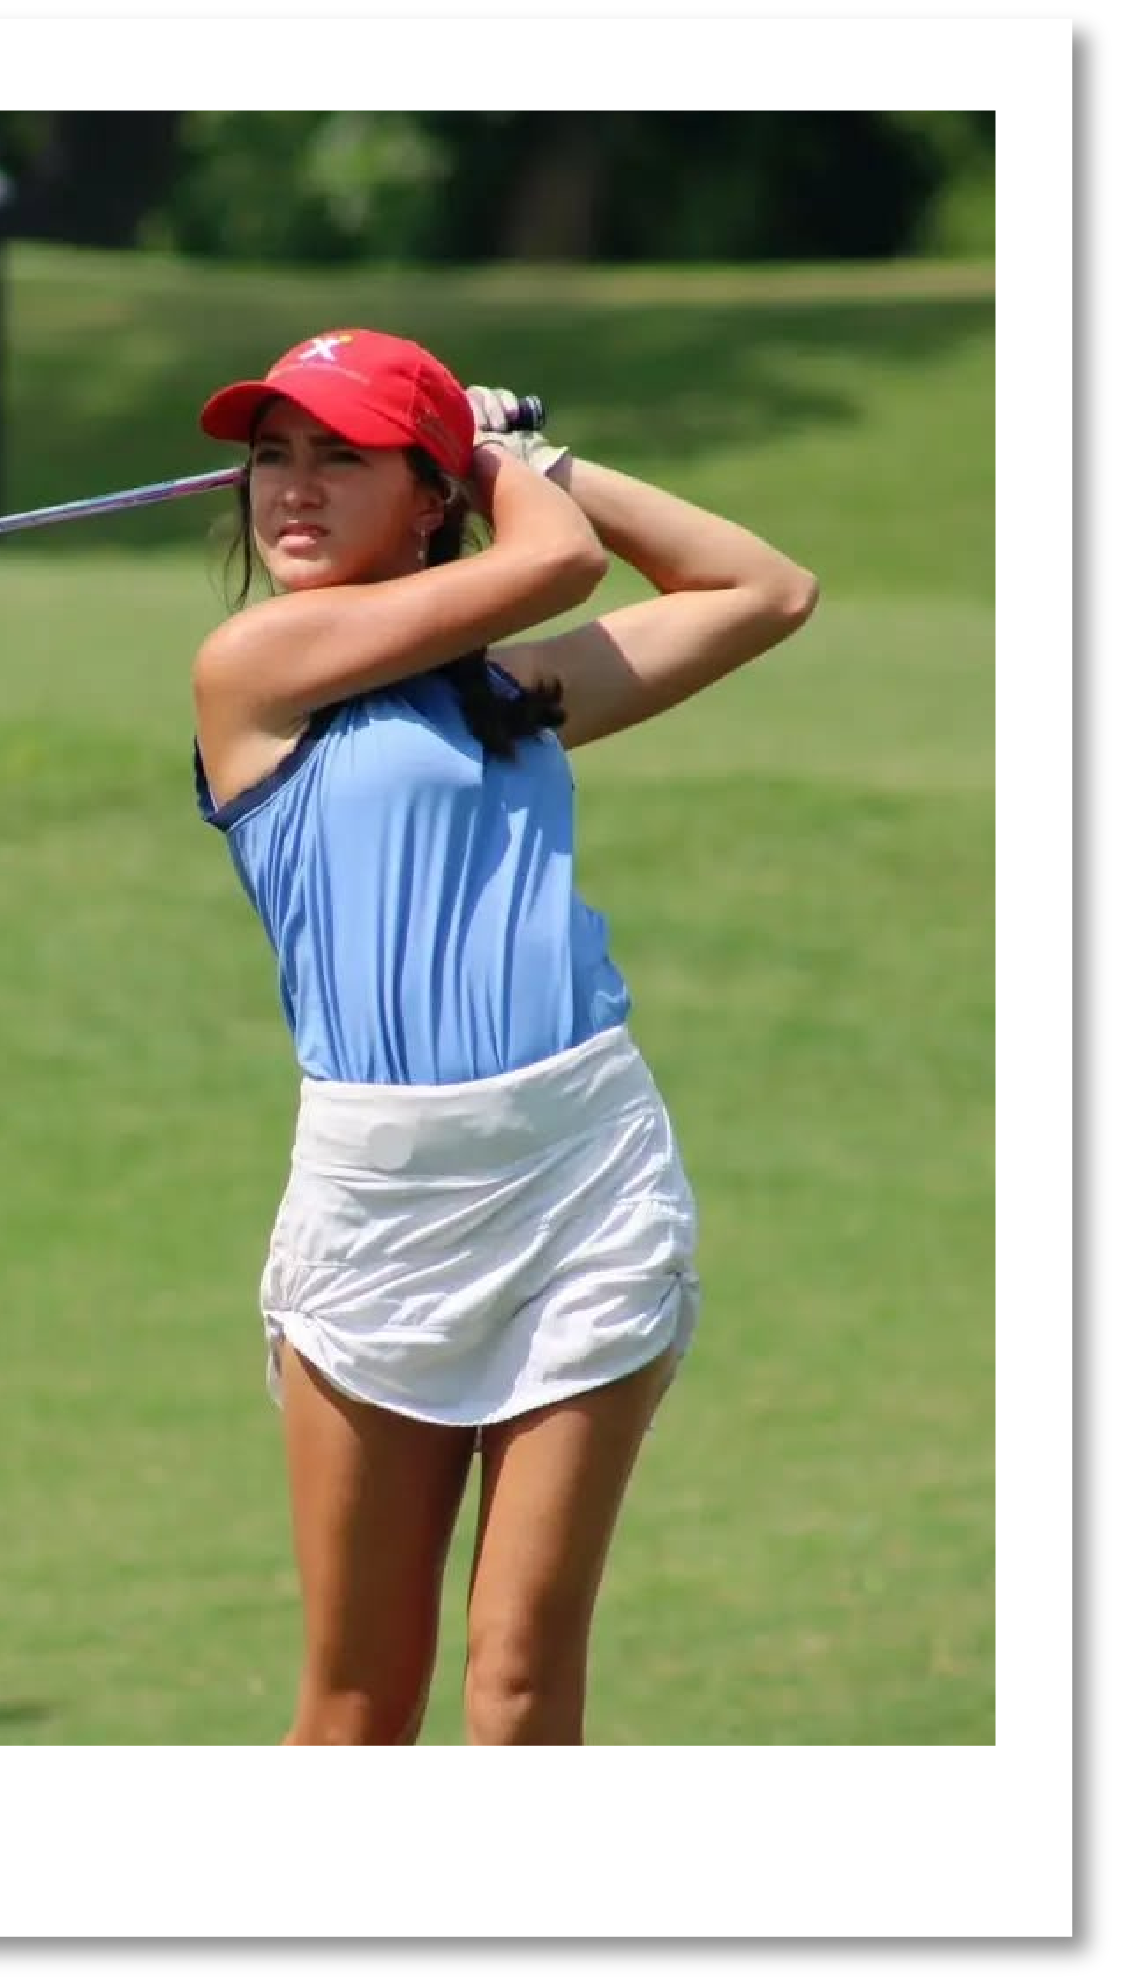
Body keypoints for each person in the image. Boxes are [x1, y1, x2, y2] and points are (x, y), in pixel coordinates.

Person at [190, 328, 818, 1745]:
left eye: (337, 460)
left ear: (422, 502)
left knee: (520, 1688)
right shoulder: (253, 667)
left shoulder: (515, 700)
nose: (287, 493)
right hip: (381, 1200)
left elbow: (763, 587)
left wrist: (523, 458)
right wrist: (493, 461)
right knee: (355, 1705)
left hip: (578, 1177)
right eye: (268, 460)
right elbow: (556, 561)